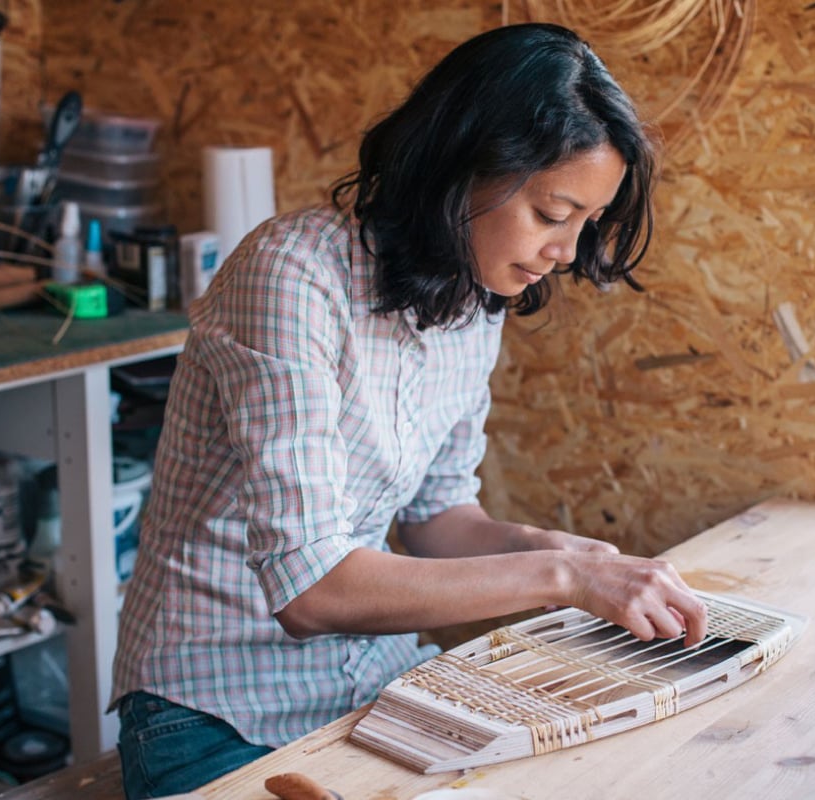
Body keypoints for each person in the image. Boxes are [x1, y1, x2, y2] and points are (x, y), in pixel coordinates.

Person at [111, 22, 707, 799]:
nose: (566, 251)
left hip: (367, 679)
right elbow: (312, 590)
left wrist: (576, 555)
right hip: (211, 711)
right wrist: (562, 575)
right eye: (553, 212)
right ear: (464, 166)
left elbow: (435, 519)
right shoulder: (290, 276)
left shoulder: (475, 297)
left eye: (586, 224)